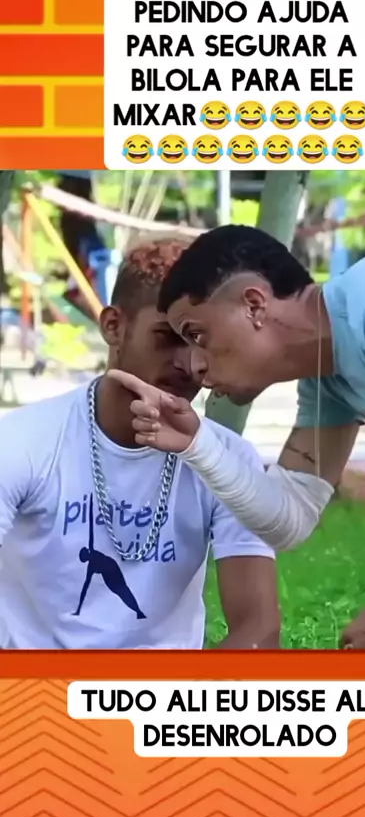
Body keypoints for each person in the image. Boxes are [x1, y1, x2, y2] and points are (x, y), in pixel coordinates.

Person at [110, 224, 365, 651]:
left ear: (253, 305)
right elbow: (291, 520)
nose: (194, 365)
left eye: (197, 335)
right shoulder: (328, 376)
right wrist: (199, 445)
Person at [0, 235, 280, 650]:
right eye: (167, 337)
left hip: (164, 689)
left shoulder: (229, 460)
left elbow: (258, 631)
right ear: (114, 326)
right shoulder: (23, 442)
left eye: (201, 340)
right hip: (33, 684)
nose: (189, 364)